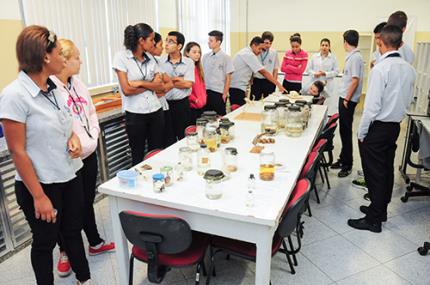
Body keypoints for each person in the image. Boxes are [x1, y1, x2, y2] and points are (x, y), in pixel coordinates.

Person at [0, 25, 91, 285]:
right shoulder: (14, 96)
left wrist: (72, 138)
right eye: (57, 51)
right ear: (45, 57)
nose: (63, 56)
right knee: (45, 242)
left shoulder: (53, 88)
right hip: (40, 185)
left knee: (73, 232)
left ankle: (84, 279)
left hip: (68, 174)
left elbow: (67, 124)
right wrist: (39, 196)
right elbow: (17, 151)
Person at [51, 39, 115, 277]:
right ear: (64, 59)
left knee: (87, 200)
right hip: (69, 159)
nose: (81, 61)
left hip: (88, 154)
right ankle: (65, 251)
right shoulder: (51, 88)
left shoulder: (78, 84)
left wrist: (93, 137)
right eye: (77, 57)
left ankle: (95, 242)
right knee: (68, 210)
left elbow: (90, 113)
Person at [348, 25, 416, 233]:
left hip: (377, 128)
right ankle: (379, 209)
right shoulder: (409, 68)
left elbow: (372, 107)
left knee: (374, 173)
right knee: (385, 169)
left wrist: (361, 133)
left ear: (380, 43)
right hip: (394, 126)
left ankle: (374, 220)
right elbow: (408, 99)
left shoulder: (380, 69)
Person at [113, 23, 164, 165]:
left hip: (155, 110)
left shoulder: (150, 58)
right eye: (151, 39)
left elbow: (160, 87)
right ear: (141, 41)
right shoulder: (121, 57)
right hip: (135, 114)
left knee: (157, 153)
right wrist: (150, 85)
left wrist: (140, 83)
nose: (154, 43)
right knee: (137, 155)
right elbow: (127, 90)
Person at [331, 30, 364, 178]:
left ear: (346, 42)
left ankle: (347, 164)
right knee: (343, 131)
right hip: (345, 97)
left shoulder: (356, 57)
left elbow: (355, 80)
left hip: (348, 100)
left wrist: (346, 99)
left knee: (346, 131)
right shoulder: (352, 56)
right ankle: (343, 158)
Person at [229, 36, 285, 106]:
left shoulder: (245, 51)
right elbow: (263, 72)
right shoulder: (249, 55)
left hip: (238, 86)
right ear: (253, 45)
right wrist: (278, 84)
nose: (261, 51)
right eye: (260, 48)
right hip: (236, 87)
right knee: (238, 111)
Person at [159, 31, 195, 140]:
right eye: (166, 41)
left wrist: (169, 81)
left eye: (171, 42)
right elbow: (160, 84)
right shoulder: (160, 61)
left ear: (179, 46)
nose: (166, 44)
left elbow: (188, 84)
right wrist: (178, 80)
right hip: (165, 105)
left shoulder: (188, 62)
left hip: (182, 105)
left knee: (183, 137)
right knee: (168, 139)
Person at [149, 32, 176, 148]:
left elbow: (169, 83)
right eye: (160, 45)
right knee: (157, 144)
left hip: (163, 106)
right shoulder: (146, 63)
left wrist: (160, 90)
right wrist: (156, 89)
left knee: (168, 141)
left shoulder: (157, 61)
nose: (163, 48)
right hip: (153, 109)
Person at [202, 30, 234, 116]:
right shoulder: (205, 57)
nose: (208, 42)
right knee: (206, 117)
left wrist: (224, 94)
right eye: (208, 40)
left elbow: (228, 77)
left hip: (218, 92)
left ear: (218, 42)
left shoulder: (226, 58)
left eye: (211, 41)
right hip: (206, 91)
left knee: (219, 117)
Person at [305, 38, 339, 114]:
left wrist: (326, 73)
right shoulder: (314, 57)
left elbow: (336, 71)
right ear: (320, 46)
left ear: (329, 47)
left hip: (326, 85)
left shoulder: (333, 58)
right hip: (315, 86)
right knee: (313, 106)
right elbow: (308, 69)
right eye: (322, 45)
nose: (324, 47)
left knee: (324, 107)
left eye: (326, 45)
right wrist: (314, 73)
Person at [251, 31, 280, 100]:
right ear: (262, 41)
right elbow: (251, 67)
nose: (268, 45)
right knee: (254, 102)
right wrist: (251, 79)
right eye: (266, 43)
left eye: (270, 43)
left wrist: (274, 83)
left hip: (269, 81)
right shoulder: (255, 51)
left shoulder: (274, 52)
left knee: (269, 103)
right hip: (257, 81)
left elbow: (275, 69)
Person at [184, 42, 207, 124]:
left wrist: (204, 98)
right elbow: (185, 89)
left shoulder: (198, 69)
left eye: (199, 52)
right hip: (192, 107)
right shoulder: (185, 69)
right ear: (187, 53)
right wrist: (196, 100)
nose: (197, 54)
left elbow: (202, 87)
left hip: (202, 106)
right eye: (194, 52)